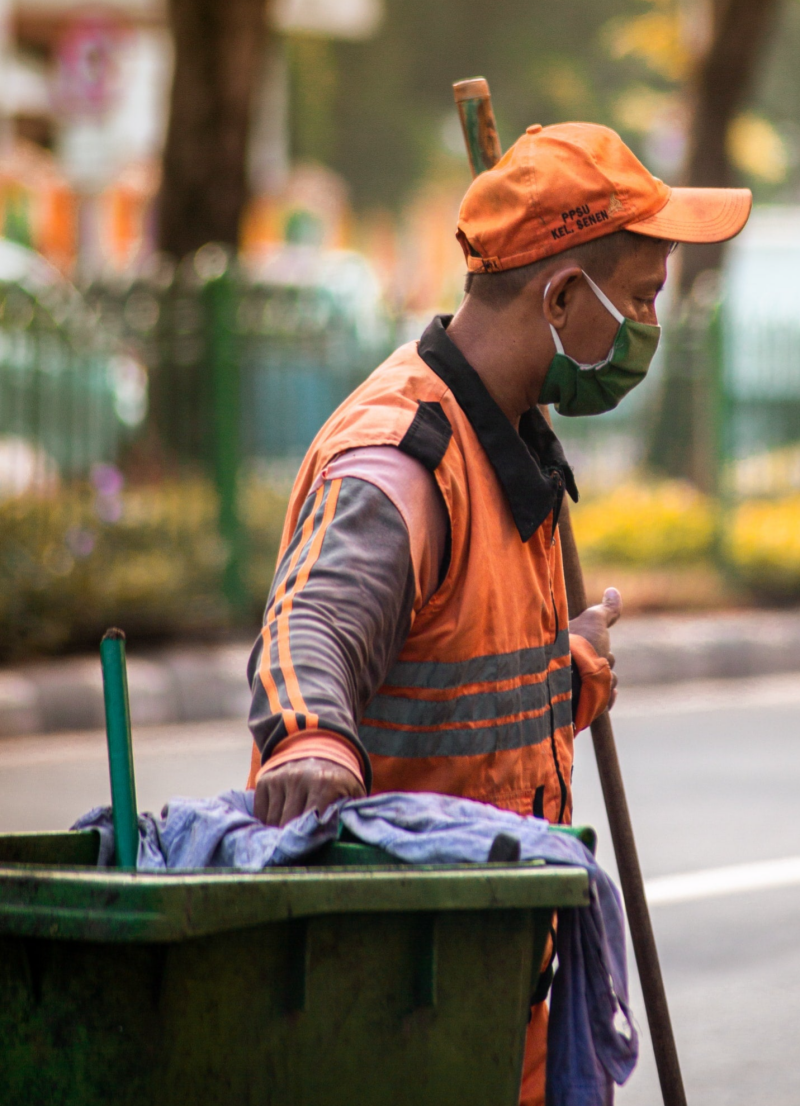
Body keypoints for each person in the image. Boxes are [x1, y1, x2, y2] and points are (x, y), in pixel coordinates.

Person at [244, 122, 751, 1105]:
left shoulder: (510, 443)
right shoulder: (404, 451)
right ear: (561, 297)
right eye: (641, 299)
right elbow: (316, 616)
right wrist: (308, 734)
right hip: (385, 1013)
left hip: (485, 1001)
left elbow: (458, 682)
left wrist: (568, 669)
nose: (650, 328)